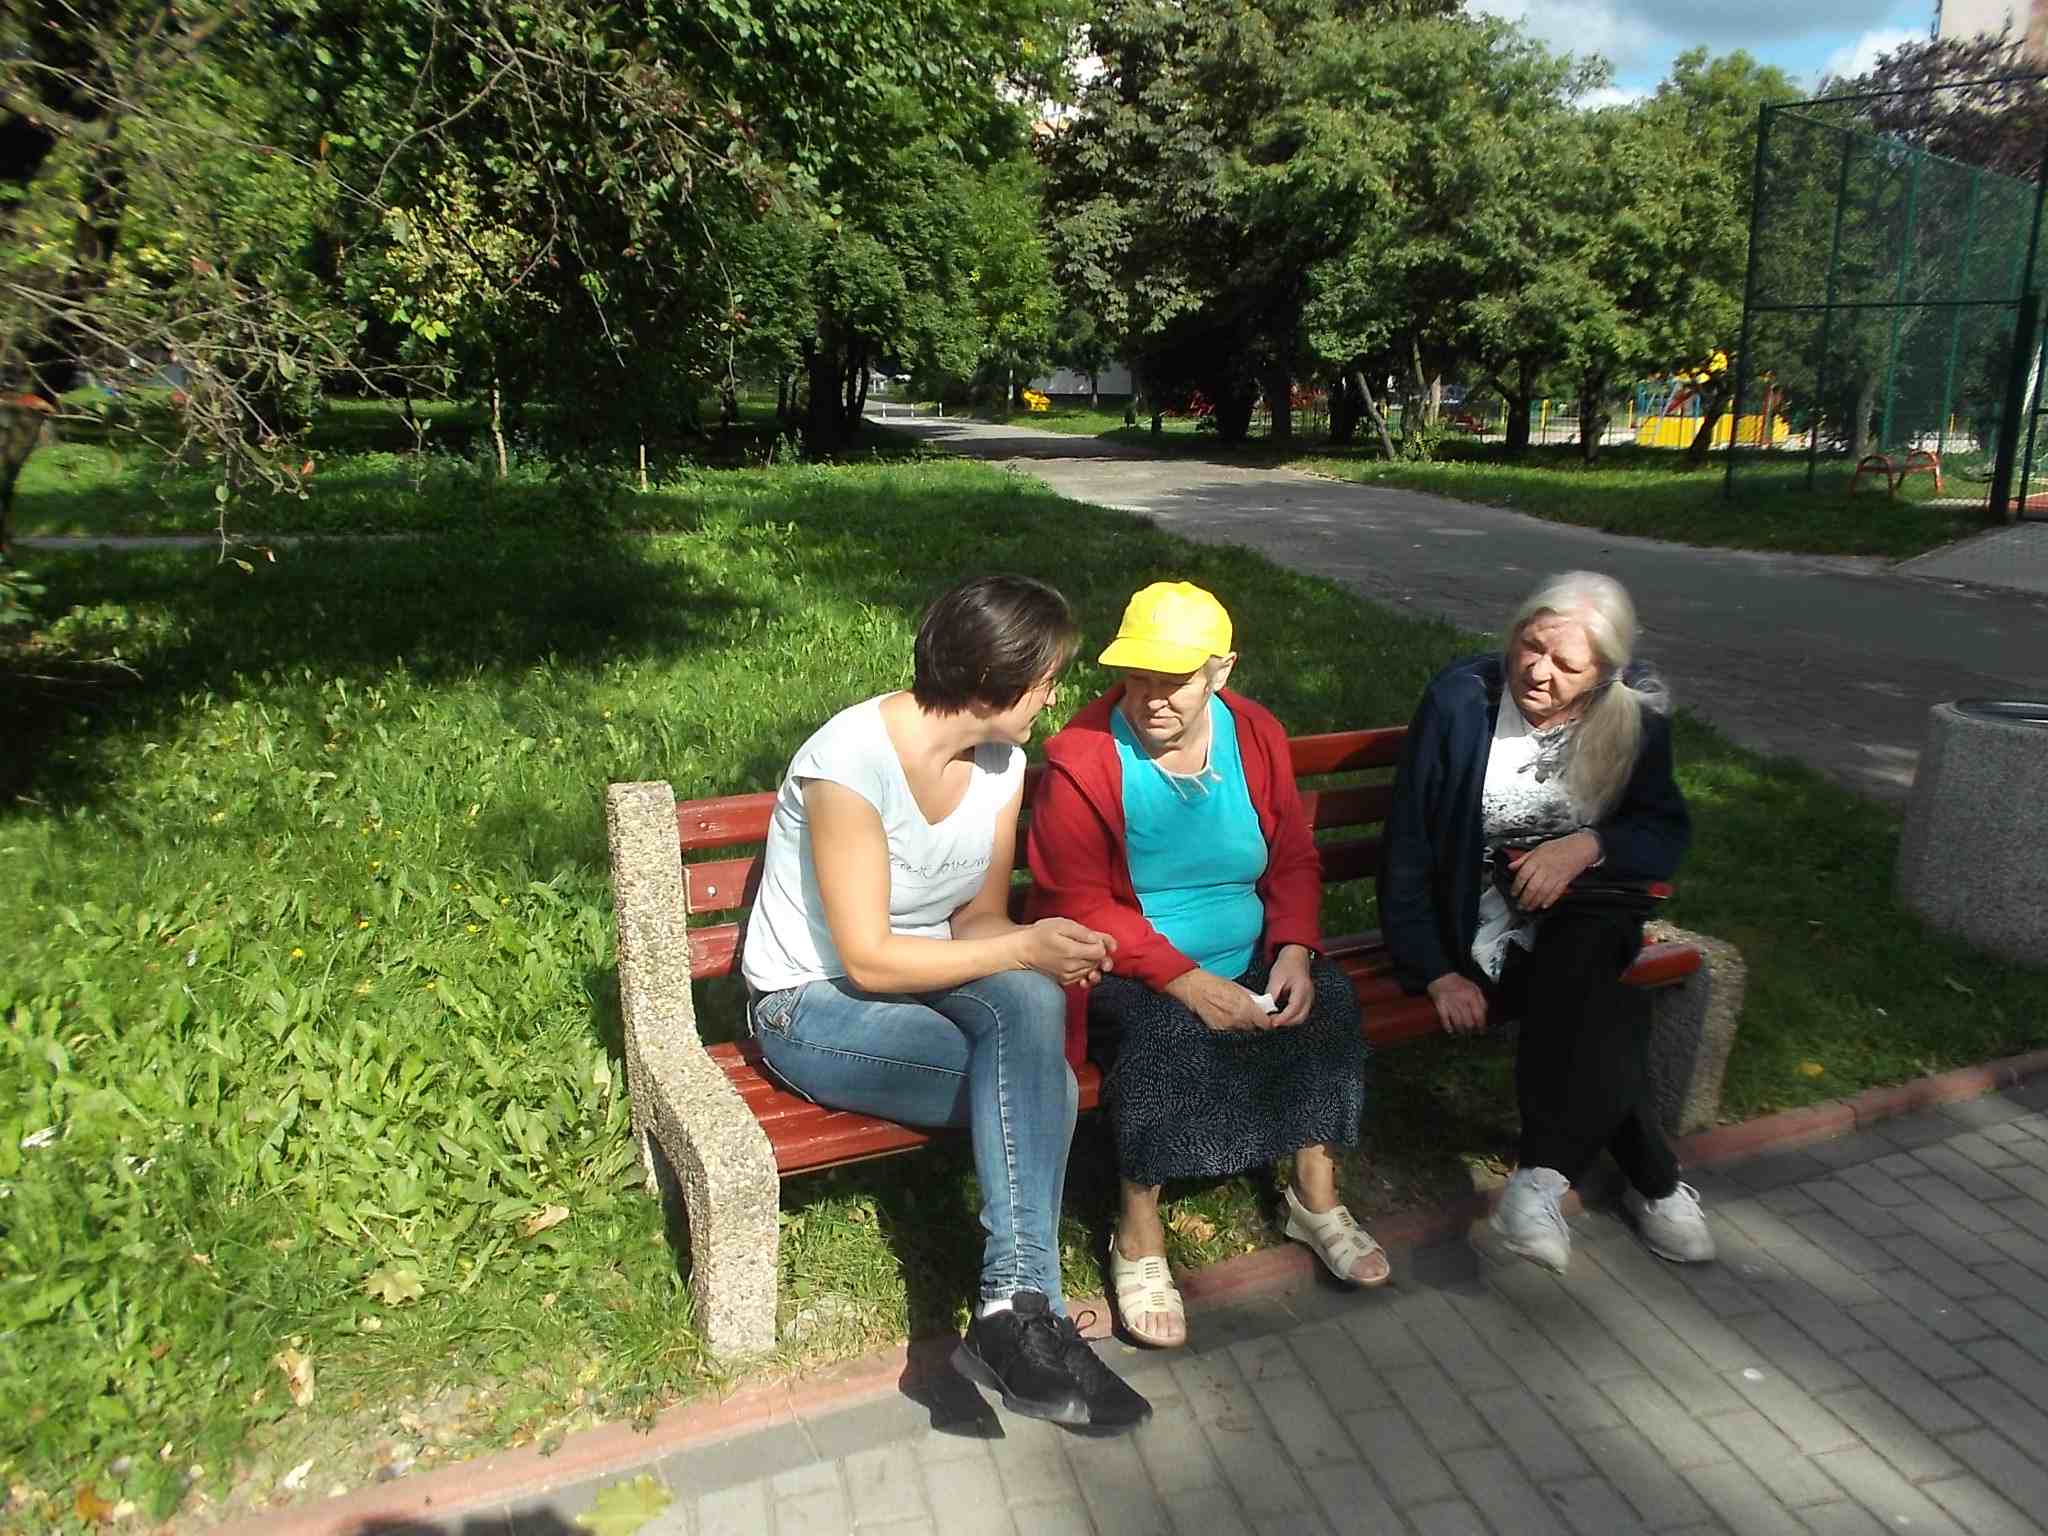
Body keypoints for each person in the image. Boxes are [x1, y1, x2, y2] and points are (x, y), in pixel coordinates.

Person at [737, 574, 1152, 1435]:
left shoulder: (1003, 763)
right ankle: (1025, 1320)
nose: (1053, 696)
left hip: (927, 977)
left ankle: (1012, 1307)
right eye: (1046, 678)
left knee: (1030, 1005)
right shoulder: (850, 762)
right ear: (994, 677)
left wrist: (1042, 944)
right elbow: (867, 959)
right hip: (811, 1006)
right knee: (1035, 1081)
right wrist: (1022, 951)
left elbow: (979, 920)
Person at [1028, 581, 1386, 1350]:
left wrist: (1294, 948)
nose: (1151, 699)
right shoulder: (1082, 758)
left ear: (1221, 672)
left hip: (1250, 949)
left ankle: (1314, 1197)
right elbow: (1079, 904)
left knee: (1327, 1000)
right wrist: (1187, 981)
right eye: (1138, 678)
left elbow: (1292, 856)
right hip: (1124, 966)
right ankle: (1138, 1230)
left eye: (1175, 681)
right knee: (1161, 1038)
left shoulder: (1253, 732)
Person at [1380, 571, 1714, 1275]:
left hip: (1589, 912)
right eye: (1531, 647)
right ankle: (1654, 1183)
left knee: (1584, 961)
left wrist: (1588, 845)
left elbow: (1663, 831)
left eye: (1567, 664)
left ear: (1605, 673)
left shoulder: (1636, 711)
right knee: (1603, 1006)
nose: (1538, 672)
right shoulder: (1461, 702)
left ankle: (1538, 1179)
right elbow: (1407, 846)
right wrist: (1434, 971)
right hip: (1480, 920)